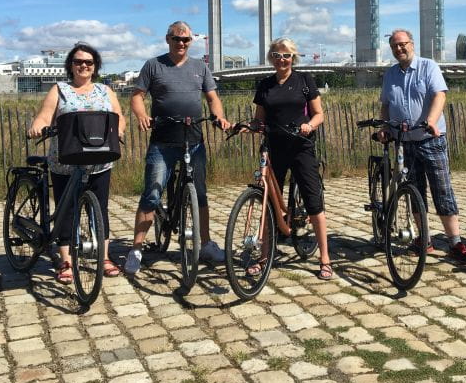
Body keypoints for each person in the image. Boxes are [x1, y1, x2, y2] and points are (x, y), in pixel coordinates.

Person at [125, 21, 230, 276]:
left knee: (200, 193)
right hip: (163, 140)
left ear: (190, 42)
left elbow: (212, 97)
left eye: (186, 40)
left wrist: (219, 117)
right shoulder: (154, 65)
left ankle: (205, 244)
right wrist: (141, 115)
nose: (181, 43)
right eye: (176, 39)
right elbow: (137, 95)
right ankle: (137, 248)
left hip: (193, 139)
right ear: (167, 39)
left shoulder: (200, 67)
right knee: (152, 192)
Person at [28, 42, 125, 283]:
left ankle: (104, 258)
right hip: (66, 161)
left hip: (99, 160)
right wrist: (38, 125)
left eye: (88, 62)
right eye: (78, 61)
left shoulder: (105, 91)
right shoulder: (59, 90)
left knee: (100, 210)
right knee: (66, 209)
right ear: (70, 66)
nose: (83, 65)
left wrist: (119, 131)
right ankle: (66, 261)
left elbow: (118, 117)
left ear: (95, 67)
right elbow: (45, 114)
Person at [379, 29, 466, 264]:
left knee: (442, 190)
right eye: (395, 46)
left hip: (430, 139)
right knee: (415, 192)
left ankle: (455, 242)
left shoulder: (428, 66)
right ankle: (424, 240)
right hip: (405, 142)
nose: (399, 49)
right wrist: (383, 126)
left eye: (403, 44)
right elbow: (386, 104)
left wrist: (431, 120)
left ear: (412, 44)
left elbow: (439, 95)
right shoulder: (390, 74)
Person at [253, 38, 332, 279]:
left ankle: (325, 259)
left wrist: (309, 125)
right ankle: (264, 255)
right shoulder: (265, 85)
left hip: (300, 145)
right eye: (277, 55)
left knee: (313, 200)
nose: (282, 59)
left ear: (293, 58)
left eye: (286, 55)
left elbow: (319, 114)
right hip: (274, 147)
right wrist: (253, 126)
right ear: (271, 58)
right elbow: (260, 118)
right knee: (267, 202)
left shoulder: (304, 81)